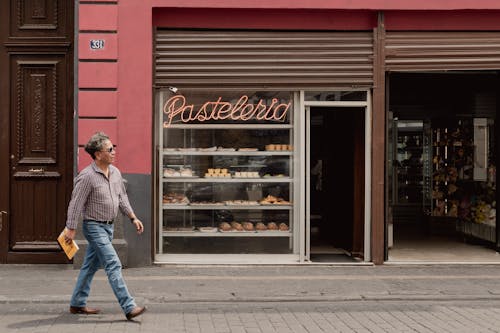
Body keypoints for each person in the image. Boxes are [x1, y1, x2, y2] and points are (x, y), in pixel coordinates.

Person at [64, 132, 146, 320]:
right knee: (113, 263)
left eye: (113, 148)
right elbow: (75, 204)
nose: (114, 152)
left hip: (108, 228)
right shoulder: (86, 177)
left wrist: (133, 217)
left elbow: (122, 197)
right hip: (94, 227)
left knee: (89, 267)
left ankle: (77, 303)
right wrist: (71, 227)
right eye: (110, 149)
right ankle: (129, 306)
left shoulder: (115, 173)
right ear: (98, 154)